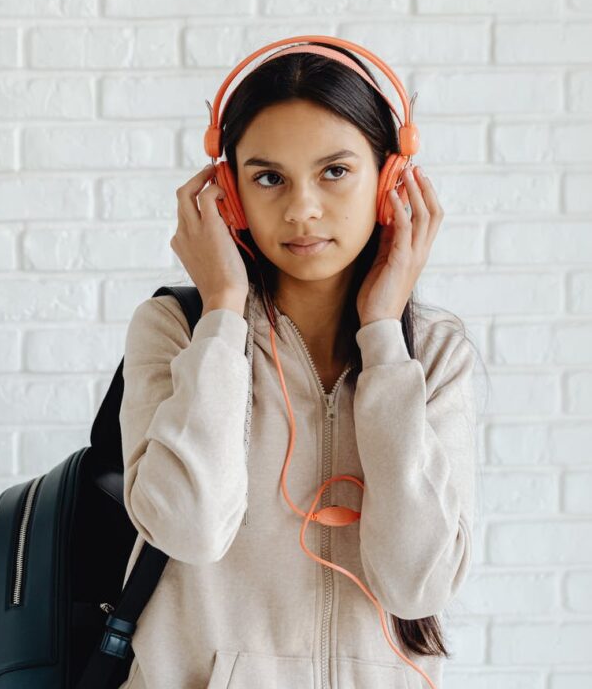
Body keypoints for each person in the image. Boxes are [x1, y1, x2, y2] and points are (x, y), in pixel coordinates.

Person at [117, 42, 480, 689]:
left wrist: (381, 338)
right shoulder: (174, 331)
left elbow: (415, 584)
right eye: (267, 177)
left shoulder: (432, 350)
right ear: (227, 196)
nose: (300, 209)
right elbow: (189, 530)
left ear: (390, 180)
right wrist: (223, 313)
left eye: (334, 171)